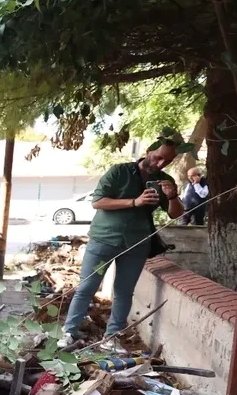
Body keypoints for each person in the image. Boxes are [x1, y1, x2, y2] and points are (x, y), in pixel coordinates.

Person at [58, 142, 185, 353]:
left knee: (124, 292)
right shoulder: (120, 171)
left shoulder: (166, 181)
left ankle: (112, 336)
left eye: (167, 161)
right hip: (103, 239)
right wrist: (134, 202)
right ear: (148, 151)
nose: (160, 163)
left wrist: (172, 196)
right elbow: (98, 201)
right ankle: (69, 332)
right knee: (86, 288)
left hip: (137, 243)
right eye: (158, 157)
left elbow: (176, 214)